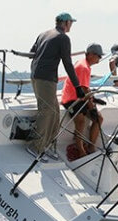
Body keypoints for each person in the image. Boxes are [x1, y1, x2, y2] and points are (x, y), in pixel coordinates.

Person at [27, 12, 83, 159]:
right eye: (71, 22)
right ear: (65, 23)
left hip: (37, 75)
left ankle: (48, 146)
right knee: (46, 111)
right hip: (45, 78)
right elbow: (67, 63)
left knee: (55, 112)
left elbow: (32, 53)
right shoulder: (63, 38)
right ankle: (35, 147)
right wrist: (77, 86)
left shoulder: (43, 34)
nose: (71, 25)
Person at [60, 43, 105, 157]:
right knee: (81, 121)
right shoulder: (84, 67)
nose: (99, 59)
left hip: (80, 98)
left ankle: (91, 146)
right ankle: (80, 149)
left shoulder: (85, 65)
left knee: (99, 118)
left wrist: (93, 100)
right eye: (98, 56)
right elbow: (84, 89)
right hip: (71, 99)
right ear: (90, 55)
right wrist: (91, 107)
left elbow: (85, 87)